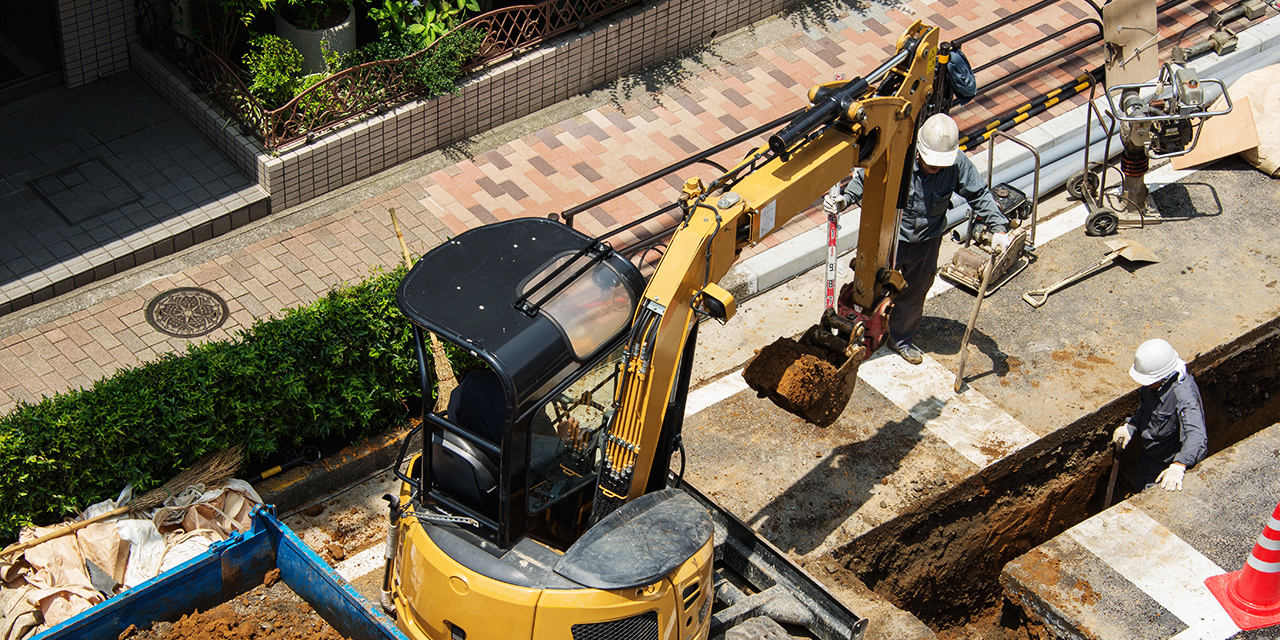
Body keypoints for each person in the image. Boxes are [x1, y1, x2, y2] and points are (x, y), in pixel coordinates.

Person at [838, 113, 1009, 365]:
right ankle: (859, 338)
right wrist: (846, 198)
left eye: (941, 164)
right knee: (870, 288)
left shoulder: (957, 163)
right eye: (932, 162)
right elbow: (866, 179)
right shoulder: (898, 155)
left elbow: (979, 194)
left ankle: (900, 339)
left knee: (914, 292)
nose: (936, 168)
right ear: (919, 149)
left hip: (927, 241)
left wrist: (999, 228)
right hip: (890, 238)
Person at [1112, 338, 1208, 492]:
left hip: (1166, 464)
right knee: (1139, 488)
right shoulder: (1152, 385)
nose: (1145, 384)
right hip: (1148, 456)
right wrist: (1131, 425)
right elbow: (1147, 408)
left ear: (1163, 376)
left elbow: (1196, 436)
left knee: (1148, 499)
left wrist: (1179, 465)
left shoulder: (1184, 397)